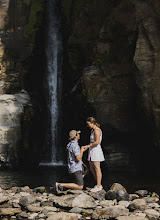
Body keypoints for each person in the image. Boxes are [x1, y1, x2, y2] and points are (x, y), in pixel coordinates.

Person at [82, 117, 105, 192]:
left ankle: (98, 186)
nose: (87, 126)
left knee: (97, 168)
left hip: (96, 150)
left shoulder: (97, 130)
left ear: (93, 123)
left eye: (88, 124)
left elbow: (97, 142)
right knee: (92, 168)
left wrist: (88, 146)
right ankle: (98, 184)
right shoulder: (92, 130)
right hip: (92, 150)